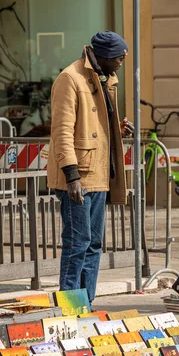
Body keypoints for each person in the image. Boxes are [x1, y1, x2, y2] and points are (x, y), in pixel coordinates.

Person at [47, 31, 133, 308]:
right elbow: (62, 132)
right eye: (119, 57)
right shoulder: (70, 79)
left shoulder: (103, 78)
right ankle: (69, 305)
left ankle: (86, 302)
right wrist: (71, 176)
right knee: (77, 243)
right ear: (105, 56)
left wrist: (116, 130)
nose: (122, 62)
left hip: (98, 175)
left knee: (94, 243)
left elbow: (92, 128)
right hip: (78, 176)